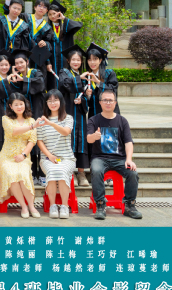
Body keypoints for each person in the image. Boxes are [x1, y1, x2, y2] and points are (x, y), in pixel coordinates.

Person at [87, 89, 142, 220]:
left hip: (120, 159)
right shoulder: (93, 120)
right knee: (96, 170)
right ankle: (100, 205)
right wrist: (94, 136)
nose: (108, 103)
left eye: (110, 100)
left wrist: (129, 159)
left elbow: (128, 142)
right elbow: (89, 139)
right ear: (100, 102)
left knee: (133, 173)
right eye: (105, 100)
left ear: (115, 103)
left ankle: (129, 205)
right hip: (100, 158)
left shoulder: (122, 121)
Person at [3, 49, 46, 185]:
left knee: (40, 138)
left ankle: (42, 173)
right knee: (28, 139)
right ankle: (32, 172)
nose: (19, 65)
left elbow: (41, 84)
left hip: (37, 109)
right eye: (17, 63)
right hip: (24, 114)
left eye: (21, 62)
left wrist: (25, 80)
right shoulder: (14, 76)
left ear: (27, 62)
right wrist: (16, 79)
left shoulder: (35, 72)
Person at [0, 93, 40, 219]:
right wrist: (31, 127)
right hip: (7, 157)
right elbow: (13, 131)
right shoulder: (6, 119)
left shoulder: (31, 120)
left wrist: (23, 155)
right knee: (11, 174)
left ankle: (31, 206)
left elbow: (32, 140)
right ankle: (24, 206)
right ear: (11, 106)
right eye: (16, 104)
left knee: (23, 174)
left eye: (21, 104)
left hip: (23, 156)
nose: (19, 107)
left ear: (25, 104)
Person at [36, 90, 76, 219]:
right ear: (46, 103)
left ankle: (64, 206)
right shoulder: (41, 121)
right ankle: (52, 205)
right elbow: (39, 141)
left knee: (62, 170)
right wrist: (50, 156)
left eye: (55, 100)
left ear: (61, 102)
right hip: (47, 158)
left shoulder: (68, 118)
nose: (53, 103)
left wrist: (51, 123)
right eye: (50, 101)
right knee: (52, 171)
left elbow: (65, 132)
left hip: (66, 158)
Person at [2, 0, 54, 85]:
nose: (41, 8)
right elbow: (9, 13)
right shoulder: (25, 17)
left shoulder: (48, 27)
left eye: (44, 7)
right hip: (23, 53)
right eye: (39, 5)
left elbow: (49, 44)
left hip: (37, 56)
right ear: (35, 7)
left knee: (37, 78)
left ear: (47, 10)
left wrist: (45, 43)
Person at [57, 45, 91, 186]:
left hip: (80, 113)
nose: (76, 62)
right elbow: (64, 84)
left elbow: (87, 96)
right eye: (73, 60)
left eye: (78, 60)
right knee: (68, 140)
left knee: (81, 141)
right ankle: (70, 173)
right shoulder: (64, 72)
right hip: (68, 111)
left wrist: (84, 99)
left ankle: (81, 173)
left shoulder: (85, 76)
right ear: (68, 61)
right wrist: (78, 78)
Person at [47, 0, 83, 89]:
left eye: (54, 13)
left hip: (65, 60)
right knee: (53, 83)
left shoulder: (66, 27)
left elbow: (78, 25)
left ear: (59, 13)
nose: (52, 16)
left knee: (66, 80)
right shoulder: (46, 28)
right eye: (50, 14)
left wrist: (64, 18)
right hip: (52, 61)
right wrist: (47, 62)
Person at [84, 43, 120, 118]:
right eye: (89, 59)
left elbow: (112, 91)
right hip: (93, 115)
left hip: (110, 114)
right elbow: (87, 102)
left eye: (95, 59)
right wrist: (87, 95)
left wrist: (98, 82)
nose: (92, 62)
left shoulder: (109, 74)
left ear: (100, 60)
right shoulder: (86, 77)